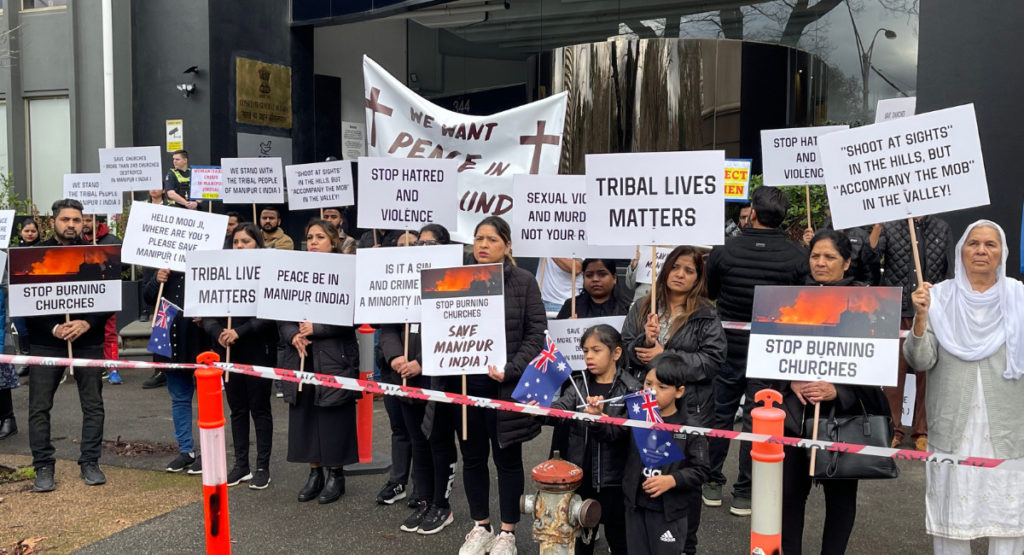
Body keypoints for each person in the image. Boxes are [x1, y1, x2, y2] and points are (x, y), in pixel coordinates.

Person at [905, 220, 1024, 555]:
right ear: (960, 251)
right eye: (973, 243)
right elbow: (920, 360)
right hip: (953, 427)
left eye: (990, 244)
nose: (981, 251)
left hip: (1007, 430)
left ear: (1002, 253)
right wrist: (921, 318)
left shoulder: (1019, 298)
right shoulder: (938, 298)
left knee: (1009, 518)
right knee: (952, 520)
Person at [779, 229, 891, 555]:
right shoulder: (791, 299)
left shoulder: (865, 303)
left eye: (829, 257)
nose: (821, 263)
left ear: (847, 262)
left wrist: (838, 390)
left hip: (843, 419)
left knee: (840, 499)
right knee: (789, 496)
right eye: (815, 256)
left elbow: (873, 368)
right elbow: (771, 355)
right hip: (795, 418)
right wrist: (790, 381)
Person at [704, 186, 809, 515]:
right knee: (758, 419)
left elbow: (711, 291)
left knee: (720, 415)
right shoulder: (797, 257)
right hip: (772, 350)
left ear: (753, 211)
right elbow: (802, 303)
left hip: (726, 347)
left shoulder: (725, 250)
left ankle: (710, 482)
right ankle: (746, 493)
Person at [621, 245, 726, 553]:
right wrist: (644, 341)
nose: (680, 274)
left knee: (681, 480)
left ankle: (684, 546)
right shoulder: (643, 306)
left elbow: (713, 361)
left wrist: (666, 354)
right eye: (676, 267)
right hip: (645, 407)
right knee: (642, 471)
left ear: (698, 277)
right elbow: (624, 351)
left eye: (689, 270)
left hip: (687, 409)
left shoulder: (705, 314)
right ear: (665, 269)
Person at [458, 216, 546, 555]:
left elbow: (536, 333)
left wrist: (511, 369)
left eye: (492, 239)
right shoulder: (456, 278)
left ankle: (507, 532)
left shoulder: (524, 281)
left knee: (507, 459)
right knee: (472, 458)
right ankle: (481, 526)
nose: (483, 245)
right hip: (465, 385)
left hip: (505, 387)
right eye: (478, 238)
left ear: (507, 245)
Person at [26, 199, 114, 492]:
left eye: (77, 220)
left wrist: (87, 323)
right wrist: (53, 327)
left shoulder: (97, 255)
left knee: (93, 405)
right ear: (53, 222)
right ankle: (43, 465)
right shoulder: (33, 255)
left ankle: (90, 461)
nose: (72, 225)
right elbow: (26, 302)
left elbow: (108, 299)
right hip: (46, 343)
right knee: (39, 406)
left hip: (87, 342)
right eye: (66, 219)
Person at [379, 224, 458, 535]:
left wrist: (421, 363)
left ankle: (442, 504)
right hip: (404, 378)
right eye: (418, 243)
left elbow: (455, 328)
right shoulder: (400, 281)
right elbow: (388, 327)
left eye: (429, 243)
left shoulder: (454, 282)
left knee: (438, 441)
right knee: (417, 442)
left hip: (437, 379)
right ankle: (424, 500)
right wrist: (395, 358)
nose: (422, 247)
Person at [279, 219, 360, 505]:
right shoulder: (294, 270)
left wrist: (319, 328)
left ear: (333, 242)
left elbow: (354, 316)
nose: (313, 241)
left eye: (320, 237)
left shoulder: (348, 271)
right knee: (304, 417)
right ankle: (315, 473)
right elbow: (280, 310)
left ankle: (336, 474)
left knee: (333, 418)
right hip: (301, 357)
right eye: (310, 237)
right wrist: (292, 335)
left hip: (334, 357)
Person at [547, 324, 640, 554]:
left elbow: (623, 433)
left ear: (616, 353)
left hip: (615, 481)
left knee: (620, 540)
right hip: (582, 477)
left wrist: (599, 422)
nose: (588, 356)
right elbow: (561, 409)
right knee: (582, 539)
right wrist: (540, 411)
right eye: (585, 351)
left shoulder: (631, 389)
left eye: (596, 350)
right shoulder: (579, 383)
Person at [201, 223, 277, 490]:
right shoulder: (220, 273)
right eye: (236, 242)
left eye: (246, 241)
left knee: (260, 409)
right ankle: (241, 464)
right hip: (227, 351)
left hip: (258, 351)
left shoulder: (267, 273)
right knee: (237, 409)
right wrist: (219, 332)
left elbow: (269, 313)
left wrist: (240, 332)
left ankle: (262, 467)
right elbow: (207, 312)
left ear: (257, 244)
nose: (240, 246)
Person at [868, 216, 953, 451]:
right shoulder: (891, 226)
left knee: (927, 374)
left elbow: (949, 270)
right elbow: (871, 258)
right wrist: (877, 228)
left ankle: (922, 432)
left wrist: (943, 302)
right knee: (893, 375)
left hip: (929, 310)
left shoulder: (941, 227)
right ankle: (892, 430)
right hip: (895, 309)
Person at [623, 353, 710, 555]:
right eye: (648, 384)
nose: (652, 391)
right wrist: (598, 420)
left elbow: (702, 470)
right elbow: (612, 434)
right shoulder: (636, 417)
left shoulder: (690, 427)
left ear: (679, 391)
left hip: (669, 511)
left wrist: (672, 480)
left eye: (662, 387)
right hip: (636, 506)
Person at [143, 262, 203, 475]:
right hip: (168, 333)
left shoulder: (206, 259)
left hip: (199, 335)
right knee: (179, 397)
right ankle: (186, 450)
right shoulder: (160, 262)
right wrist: (156, 280)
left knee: (206, 400)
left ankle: (208, 451)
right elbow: (148, 298)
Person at [82, 214, 124, 385]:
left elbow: (125, 264)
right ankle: (89, 367)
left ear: (97, 222)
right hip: (82, 293)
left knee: (109, 332)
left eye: (88, 220)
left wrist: (105, 261)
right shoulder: (76, 240)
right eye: (82, 220)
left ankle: (113, 367)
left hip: (106, 292)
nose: (84, 223)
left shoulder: (112, 240)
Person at [555, 259, 631, 319]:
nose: (595, 279)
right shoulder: (572, 306)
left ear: (614, 278)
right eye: (589, 275)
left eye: (602, 274)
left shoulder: (628, 309)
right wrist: (566, 327)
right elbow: (556, 333)